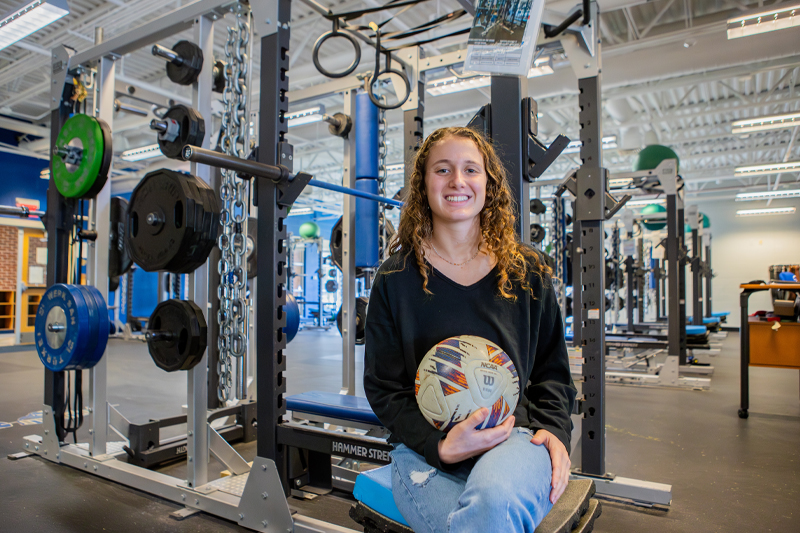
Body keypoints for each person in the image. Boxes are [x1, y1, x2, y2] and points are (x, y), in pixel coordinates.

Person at [363, 126, 577, 533]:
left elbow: (553, 371)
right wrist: (439, 446)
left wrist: (555, 431)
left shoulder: (528, 272)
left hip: (513, 437)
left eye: (471, 170)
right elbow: (384, 387)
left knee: (493, 504)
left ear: (488, 184)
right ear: (424, 184)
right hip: (424, 450)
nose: (457, 181)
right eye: (442, 170)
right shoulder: (395, 279)